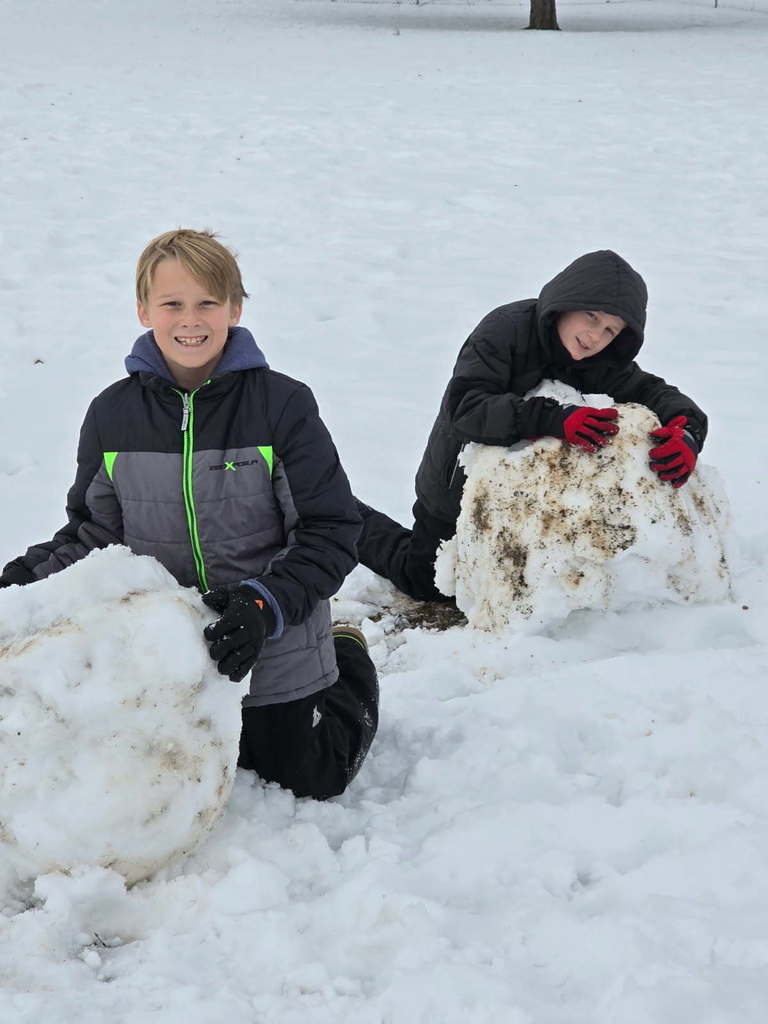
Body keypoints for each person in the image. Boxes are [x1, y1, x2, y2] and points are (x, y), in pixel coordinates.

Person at [0, 229, 378, 800]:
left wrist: (263, 603)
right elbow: (94, 535)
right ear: (143, 309)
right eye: (172, 303)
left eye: (207, 302)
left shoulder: (283, 406)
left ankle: (348, 660)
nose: (190, 320)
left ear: (234, 307)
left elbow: (331, 530)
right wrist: (18, 586)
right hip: (167, 657)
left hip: (273, 638)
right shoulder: (112, 415)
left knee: (304, 779)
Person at [356, 249, 708, 603]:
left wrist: (688, 431)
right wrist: (553, 418)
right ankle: (342, 516)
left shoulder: (599, 360)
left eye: (610, 330)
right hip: (454, 490)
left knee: (511, 591)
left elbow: (655, 392)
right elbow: (465, 408)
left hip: (520, 507)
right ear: (566, 303)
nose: (595, 336)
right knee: (430, 584)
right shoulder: (505, 330)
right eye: (590, 316)